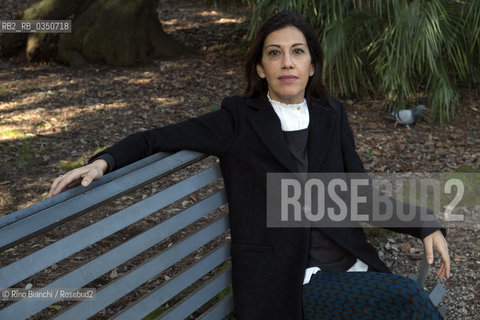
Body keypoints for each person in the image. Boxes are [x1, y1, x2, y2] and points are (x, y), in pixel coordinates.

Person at [49, 11, 450, 320]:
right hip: (289, 282)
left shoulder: (331, 115)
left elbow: (360, 196)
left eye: (297, 52)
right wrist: (103, 161)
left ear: (312, 65)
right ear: (261, 68)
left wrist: (424, 223)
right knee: (407, 299)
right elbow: (156, 137)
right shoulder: (239, 120)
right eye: (274, 53)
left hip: (347, 261)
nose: (287, 63)